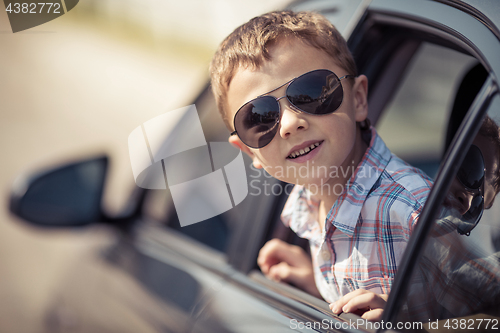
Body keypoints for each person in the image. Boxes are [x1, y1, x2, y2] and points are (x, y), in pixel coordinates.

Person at [209, 10, 433, 320]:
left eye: (311, 92)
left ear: (358, 100)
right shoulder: (305, 208)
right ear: (249, 153)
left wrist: (408, 322)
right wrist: (319, 289)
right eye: (259, 118)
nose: (289, 124)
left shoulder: (414, 210)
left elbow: (488, 310)